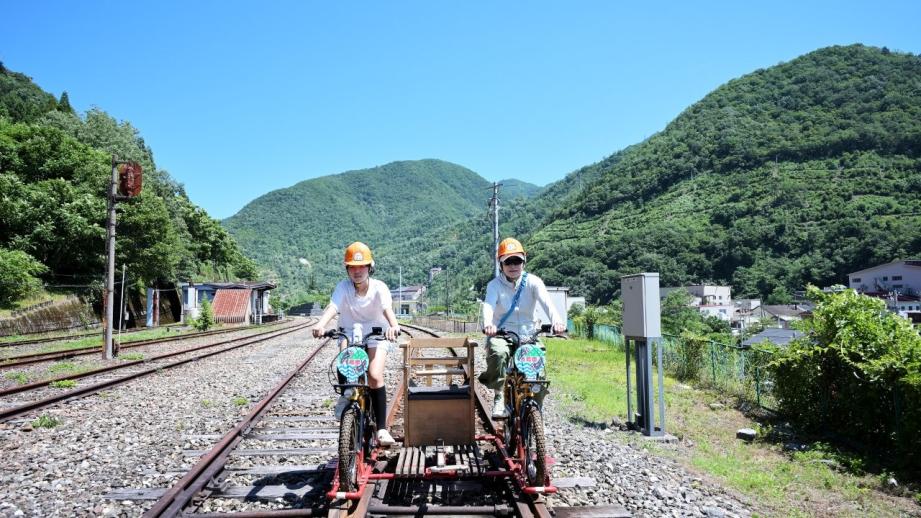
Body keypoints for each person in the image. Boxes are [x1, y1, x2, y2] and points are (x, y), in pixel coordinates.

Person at [312, 241, 400, 446]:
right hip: (349, 332)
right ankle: (347, 396)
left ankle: (381, 429)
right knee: (345, 368)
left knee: (375, 375)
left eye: (362, 266)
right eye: (353, 266)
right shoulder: (343, 287)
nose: (357, 271)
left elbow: (387, 308)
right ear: (347, 269)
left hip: (377, 334)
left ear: (370, 267)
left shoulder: (379, 288)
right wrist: (321, 324)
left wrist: (393, 326)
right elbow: (333, 307)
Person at [479, 238, 566, 418]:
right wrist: (488, 324)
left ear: (524, 260)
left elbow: (547, 303)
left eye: (517, 260)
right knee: (498, 353)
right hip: (503, 333)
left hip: (529, 335)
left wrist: (557, 321)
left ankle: (536, 410)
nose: (513, 265)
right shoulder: (494, 285)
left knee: (538, 374)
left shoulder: (533, 282)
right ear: (500, 264)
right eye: (508, 261)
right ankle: (499, 396)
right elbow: (488, 305)